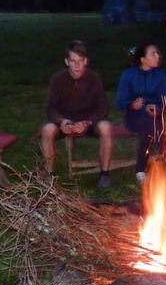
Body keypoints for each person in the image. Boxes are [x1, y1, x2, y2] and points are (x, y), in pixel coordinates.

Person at [40, 40, 113, 187]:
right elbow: (50, 108)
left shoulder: (94, 78)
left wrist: (87, 122)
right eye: (73, 61)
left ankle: (104, 174)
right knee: (47, 129)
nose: (77, 65)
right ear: (67, 62)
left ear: (86, 61)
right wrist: (61, 121)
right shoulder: (58, 79)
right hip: (65, 122)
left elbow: (103, 108)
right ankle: (50, 176)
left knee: (106, 127)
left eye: (81, 61)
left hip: (88, 121)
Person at [116, 43, 166, 183]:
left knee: (148, 125)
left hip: (155, 117)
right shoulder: (128, 75)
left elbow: (164, 100)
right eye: (153, 53)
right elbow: (120, 101)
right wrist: (132, 104)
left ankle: (140, 170)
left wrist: (157, 108)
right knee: (147, 122)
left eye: (158, 53)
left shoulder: (160, 75)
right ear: (143, 59)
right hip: (134, 117)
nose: (158, 56)